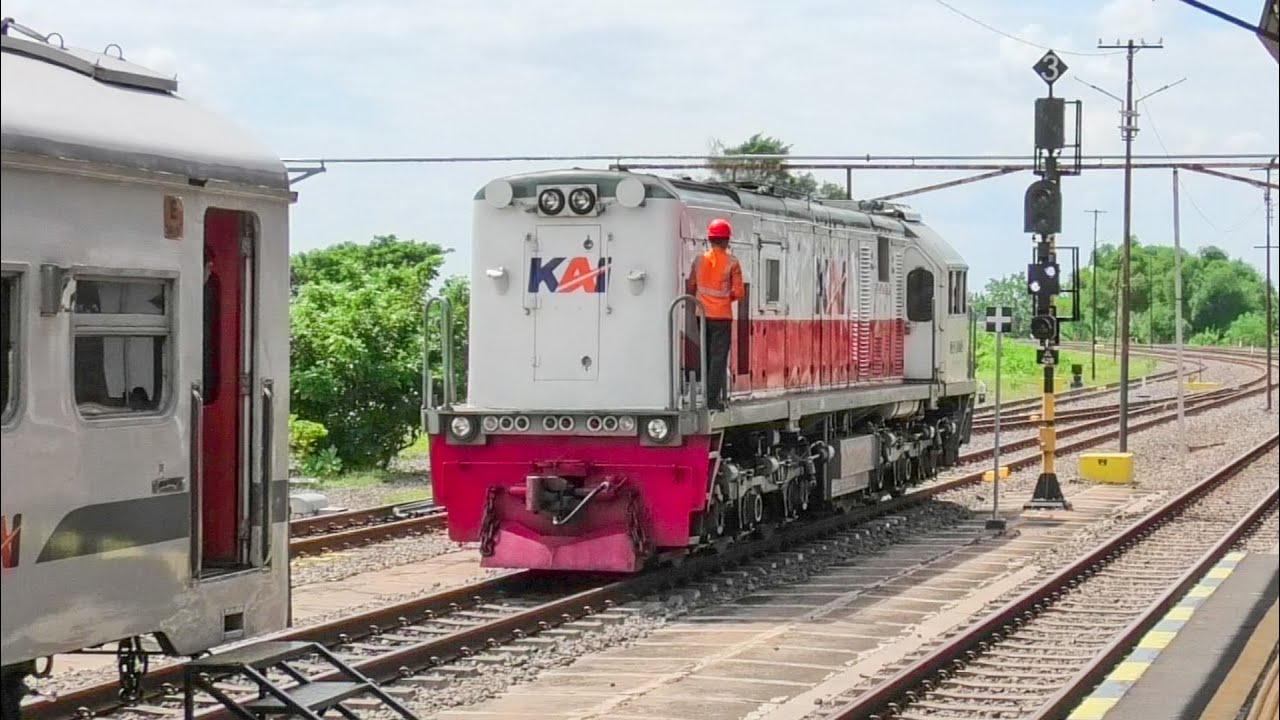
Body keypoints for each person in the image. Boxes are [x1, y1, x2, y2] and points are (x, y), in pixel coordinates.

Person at [685, 218, 745, 411]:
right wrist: (726, 298)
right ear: (727, 240)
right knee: (718, 357)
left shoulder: (699, 260)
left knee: (705, 354)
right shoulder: (732, 262)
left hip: (701, 314)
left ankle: (703, 394)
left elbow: (691, 285)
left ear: (710, 239)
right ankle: (712, 399)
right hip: (722, 316)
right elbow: (740, 292)